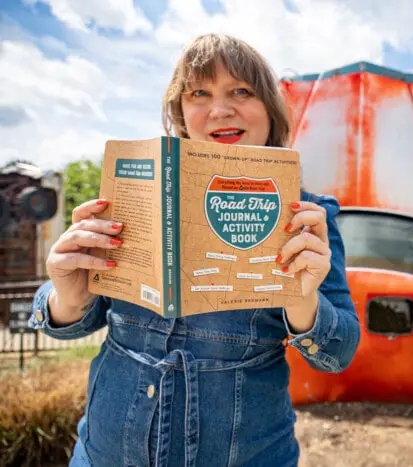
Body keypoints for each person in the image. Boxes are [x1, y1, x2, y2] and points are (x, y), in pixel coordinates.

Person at [30, 33, 361, 467]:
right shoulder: (136, 196)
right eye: (199, 93)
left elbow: (338, 355)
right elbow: (72, 323)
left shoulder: (306, 218)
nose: (220, 109)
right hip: (102, 455)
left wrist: (302, 300)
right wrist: (67, 299)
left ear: (270, 111)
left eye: (241, 91)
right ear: (181, 115)